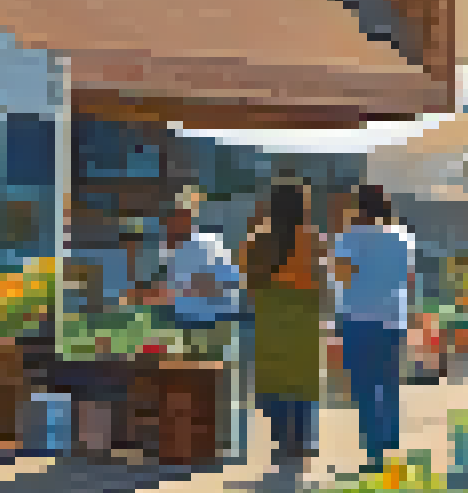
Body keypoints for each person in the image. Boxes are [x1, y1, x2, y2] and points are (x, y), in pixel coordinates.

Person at [330, 185, 417, 470]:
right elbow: (409, 279)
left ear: (357, 207)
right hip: (393, 317)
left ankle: (374, 450)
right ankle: (390, 439)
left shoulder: (349, 237)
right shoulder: (403, 236)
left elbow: (341, 276)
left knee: (365, 386)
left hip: (359, 318)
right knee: (389, 382)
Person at [242, 179, 327, 467]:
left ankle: (280, 440)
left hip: (270, 311)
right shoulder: (314, 239)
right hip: (305, 311)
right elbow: (323, 281)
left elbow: (249, 283)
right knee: (303, 379)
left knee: (275, 379)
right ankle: (304, 440)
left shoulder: (258, 238)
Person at [158, 191, 242, 314]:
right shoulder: (169, 249)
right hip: (185, 311)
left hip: (215, 310)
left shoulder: (208, 242)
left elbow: (227, 280)